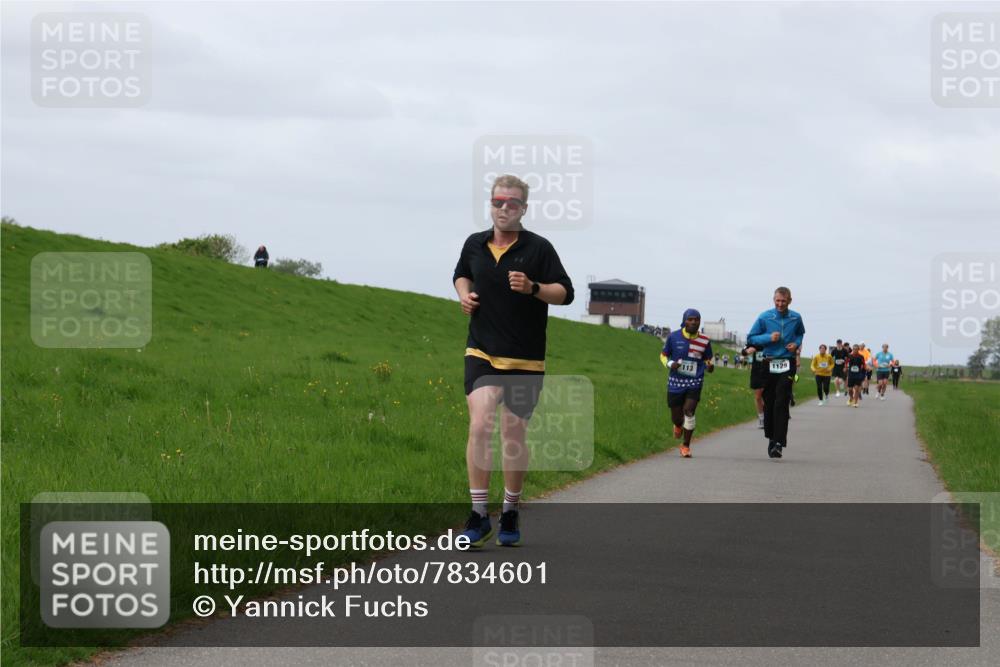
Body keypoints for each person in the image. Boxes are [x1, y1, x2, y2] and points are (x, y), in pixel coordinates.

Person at [453, 174, 574, 548]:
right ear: (490, 204)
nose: (504, 208)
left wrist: (534, 288)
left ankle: (509, 509)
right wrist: (464, 295)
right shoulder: (475, 244)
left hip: (525, 360)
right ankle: (477, 515)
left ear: (524, 208)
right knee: (480, 425)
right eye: (498, 202)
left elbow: (565, 293)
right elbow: (461, 275)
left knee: (513, 435)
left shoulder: (539, 249)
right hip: (482, 352)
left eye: (513, 203)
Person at [746, 287, 805, 458]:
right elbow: (751, 338)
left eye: (783, 301)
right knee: (770, 403)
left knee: (782, 400)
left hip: (787, 362)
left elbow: (800, 334)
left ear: (790, 301)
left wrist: (796, 344)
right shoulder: (765, 317)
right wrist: (768, 338)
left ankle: (779, 442)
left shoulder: (796, 317)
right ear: (773, 300)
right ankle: (772, 438)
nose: (780, 304)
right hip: (768, 363)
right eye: (777, 301)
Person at [660, 309, 715, 458]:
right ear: (684, 320)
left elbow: (708, 358)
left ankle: (686, 446)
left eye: (696, 319)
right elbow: (663, 355)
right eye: (690, 319)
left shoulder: (704, 340)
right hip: (675, 382)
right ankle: (678, 425)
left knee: (689, 411)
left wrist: (710, 366)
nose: (693, 322)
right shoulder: (673, 337)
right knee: (677, 417)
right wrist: (670, 364)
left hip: (695, 381)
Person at [742, 341, 768, 429]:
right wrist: (747, 350)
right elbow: (744, 351)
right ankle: (761, 417)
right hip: (757, 371)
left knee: (768, 396)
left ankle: (769, 417)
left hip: (770, 370)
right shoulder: (755, 339)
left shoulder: (772, 336)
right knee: (758, 396)